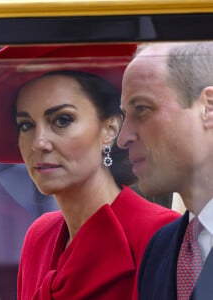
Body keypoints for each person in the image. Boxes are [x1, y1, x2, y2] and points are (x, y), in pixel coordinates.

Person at [0, 43, 179, 300]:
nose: (39, 142)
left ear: (110, 129)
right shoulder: (39, 237)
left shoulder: (159, 234)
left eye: (62, 120)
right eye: (26, 125)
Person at [117, 42, 213, 300]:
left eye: (142, 110)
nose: (123, 138)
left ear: (209, 107)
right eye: (125, 114)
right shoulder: (159, 249)